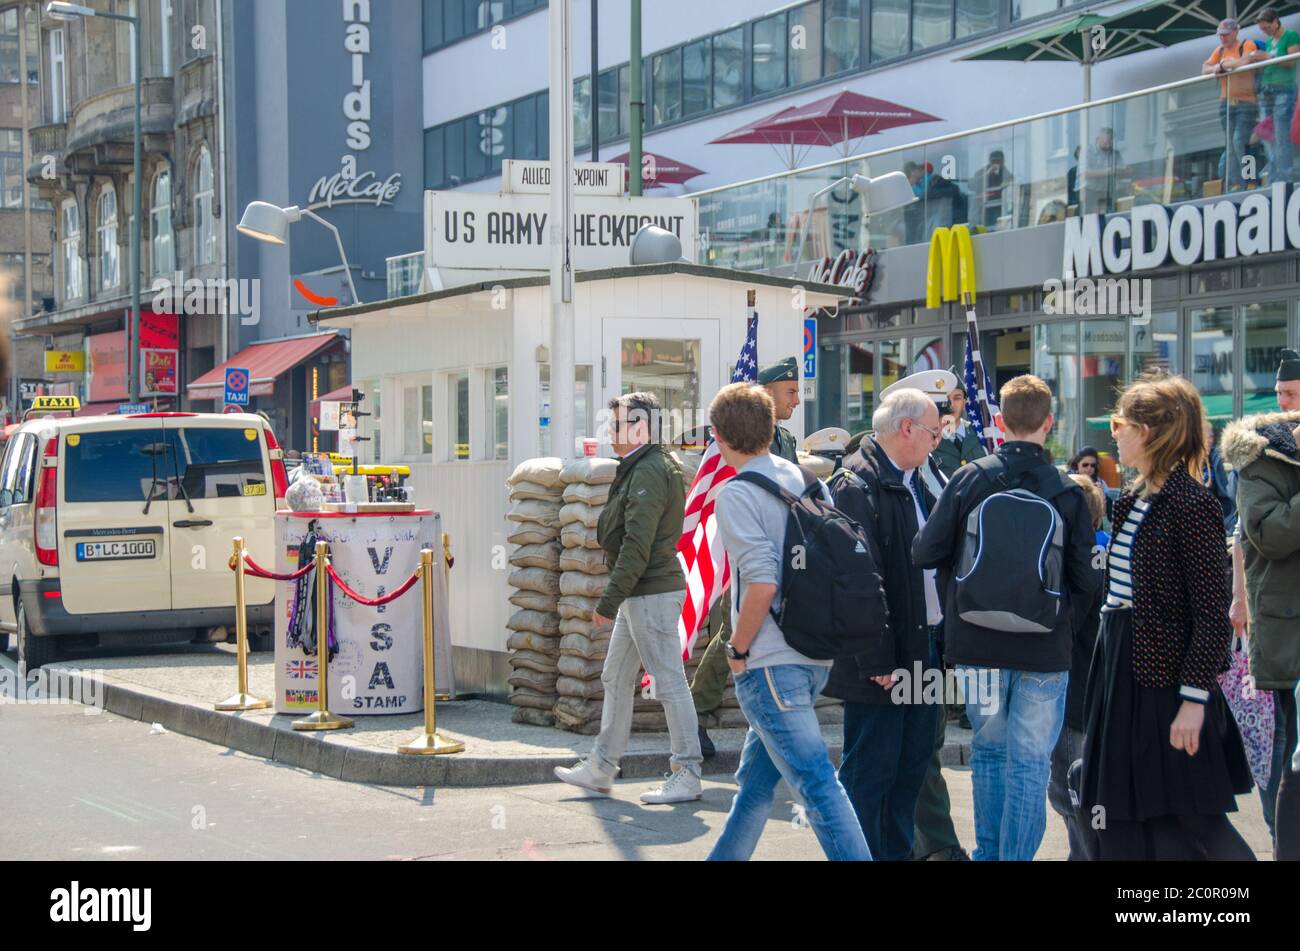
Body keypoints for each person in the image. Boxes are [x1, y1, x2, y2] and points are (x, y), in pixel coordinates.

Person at [913, 374, 1100, 861]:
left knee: (990, 754)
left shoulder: (970, 478)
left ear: (999, 421)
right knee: (1030, 764)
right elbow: (1085, 580)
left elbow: (925, 550)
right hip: (1044, 646)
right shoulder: (1067, 490)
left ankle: (989, 854)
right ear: (1049, 424)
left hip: (977, 644)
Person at [1079, 373, 1254, 860]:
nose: (1114, 432)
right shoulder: (1132, 499)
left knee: (1196, 818)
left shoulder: (1192, 503)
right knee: (1126, 818)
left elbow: (1211, 616)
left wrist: (1194, 700)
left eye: (1121, 423)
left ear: (1150, 432)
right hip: (1120, 668)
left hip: (1167, 683)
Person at [704, 382, 871, 861]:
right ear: (771, 426)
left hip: (770, 662)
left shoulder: (736, 494)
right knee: (755, 787)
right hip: (814, 654)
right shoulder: (807, 480)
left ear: (719, 435)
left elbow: (761, 584)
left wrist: (736, 649)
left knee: (818, 784)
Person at [555, 392, 703, 804]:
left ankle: (687, 771)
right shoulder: (641, 465)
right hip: (640, 593)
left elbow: (638, 546)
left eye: (617, 424)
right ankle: (602, 768)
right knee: (615, 676)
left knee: (668, 680)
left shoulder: (651, 470)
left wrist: (607, 601)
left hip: (650, 593)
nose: (610, 431)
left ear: (640, 428)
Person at [824, 388, 945, 861]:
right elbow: (854, 580)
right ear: (908, 428)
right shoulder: (857, 484)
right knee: (870, 775)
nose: (938, 441)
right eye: (934, 432)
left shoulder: (919, 478)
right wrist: (877, 657)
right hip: (883, 658)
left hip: (923, 647)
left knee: (910, 771)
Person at [691, 358, 802, 757]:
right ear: (768, 392)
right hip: (741, 555)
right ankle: (695, 713)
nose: (797, 400)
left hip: (778, 555)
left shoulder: (785, 441)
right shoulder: (736, 438)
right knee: (732, 634)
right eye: (790, 391)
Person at [1222, 348, 1300, 861]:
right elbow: (1267, 535)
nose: (1286, 404)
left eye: (1293, 394)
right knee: (1288, 755)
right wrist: (1238, 597)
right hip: (1289, 632)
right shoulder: (1259, 456)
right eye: (1282, 396)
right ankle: (1283, 844)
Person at [1047, 474, 1107, 860]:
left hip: (1076, 694)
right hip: (1098, 692)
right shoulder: (1110, 553)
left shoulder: (1078, 564)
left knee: (1072, 791)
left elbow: (1065, 623)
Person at [1203, 18, 1267, 192]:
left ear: (1235, 32)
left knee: (1241, 141)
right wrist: (1219, 66)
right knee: (1230, 144)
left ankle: (1251, 179)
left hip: (1246, 102)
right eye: (1220, 35)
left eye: (1226, 35)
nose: (1222, 38)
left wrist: (1223, 65)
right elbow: (1205, 68)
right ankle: (1235, 182)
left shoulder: (1246, 45)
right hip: (1226, 103)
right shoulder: (1220, 50)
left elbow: (1245, 62)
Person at [1256, 8, 1300, 185]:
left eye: (1266, 27)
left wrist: (1268, 56)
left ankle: (1285, 177)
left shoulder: (1290, 36)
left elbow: (1291, 60)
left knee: (1281, 134)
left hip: (1284, 89)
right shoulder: (1269, 40)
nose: (1265, 31)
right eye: (1262, 29)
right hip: (1268, 89)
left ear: (1276, 21)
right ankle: (1275, 176)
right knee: (1269, 135)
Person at [932, 384, 986, 480]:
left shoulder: (980, 433)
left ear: (964, 402)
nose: (951, 404)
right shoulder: (930, 437)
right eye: (947, 398)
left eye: (957, 398)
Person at [1079, 127, 1128, 214]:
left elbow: (1123, 170)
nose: (1109, 145)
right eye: (1106, 142)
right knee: (1093, 218)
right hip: (1091, 191)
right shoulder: (1087, 152)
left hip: (1109, 191)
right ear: (1098, 139)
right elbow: (1084, 173)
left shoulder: (1115, 153)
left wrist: (1123, 171)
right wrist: (1107, 172)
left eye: (1111, 142)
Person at [970, 150, 1013, 229]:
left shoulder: (1007, 174)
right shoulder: (981, 172)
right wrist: (986, 175)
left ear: (1003, 161)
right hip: (982, 208)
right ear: (990, 162)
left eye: (998, 161)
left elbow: (1010, 186)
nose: (996, 164)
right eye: (993, 161)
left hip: (999, 208)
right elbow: (971, 186)